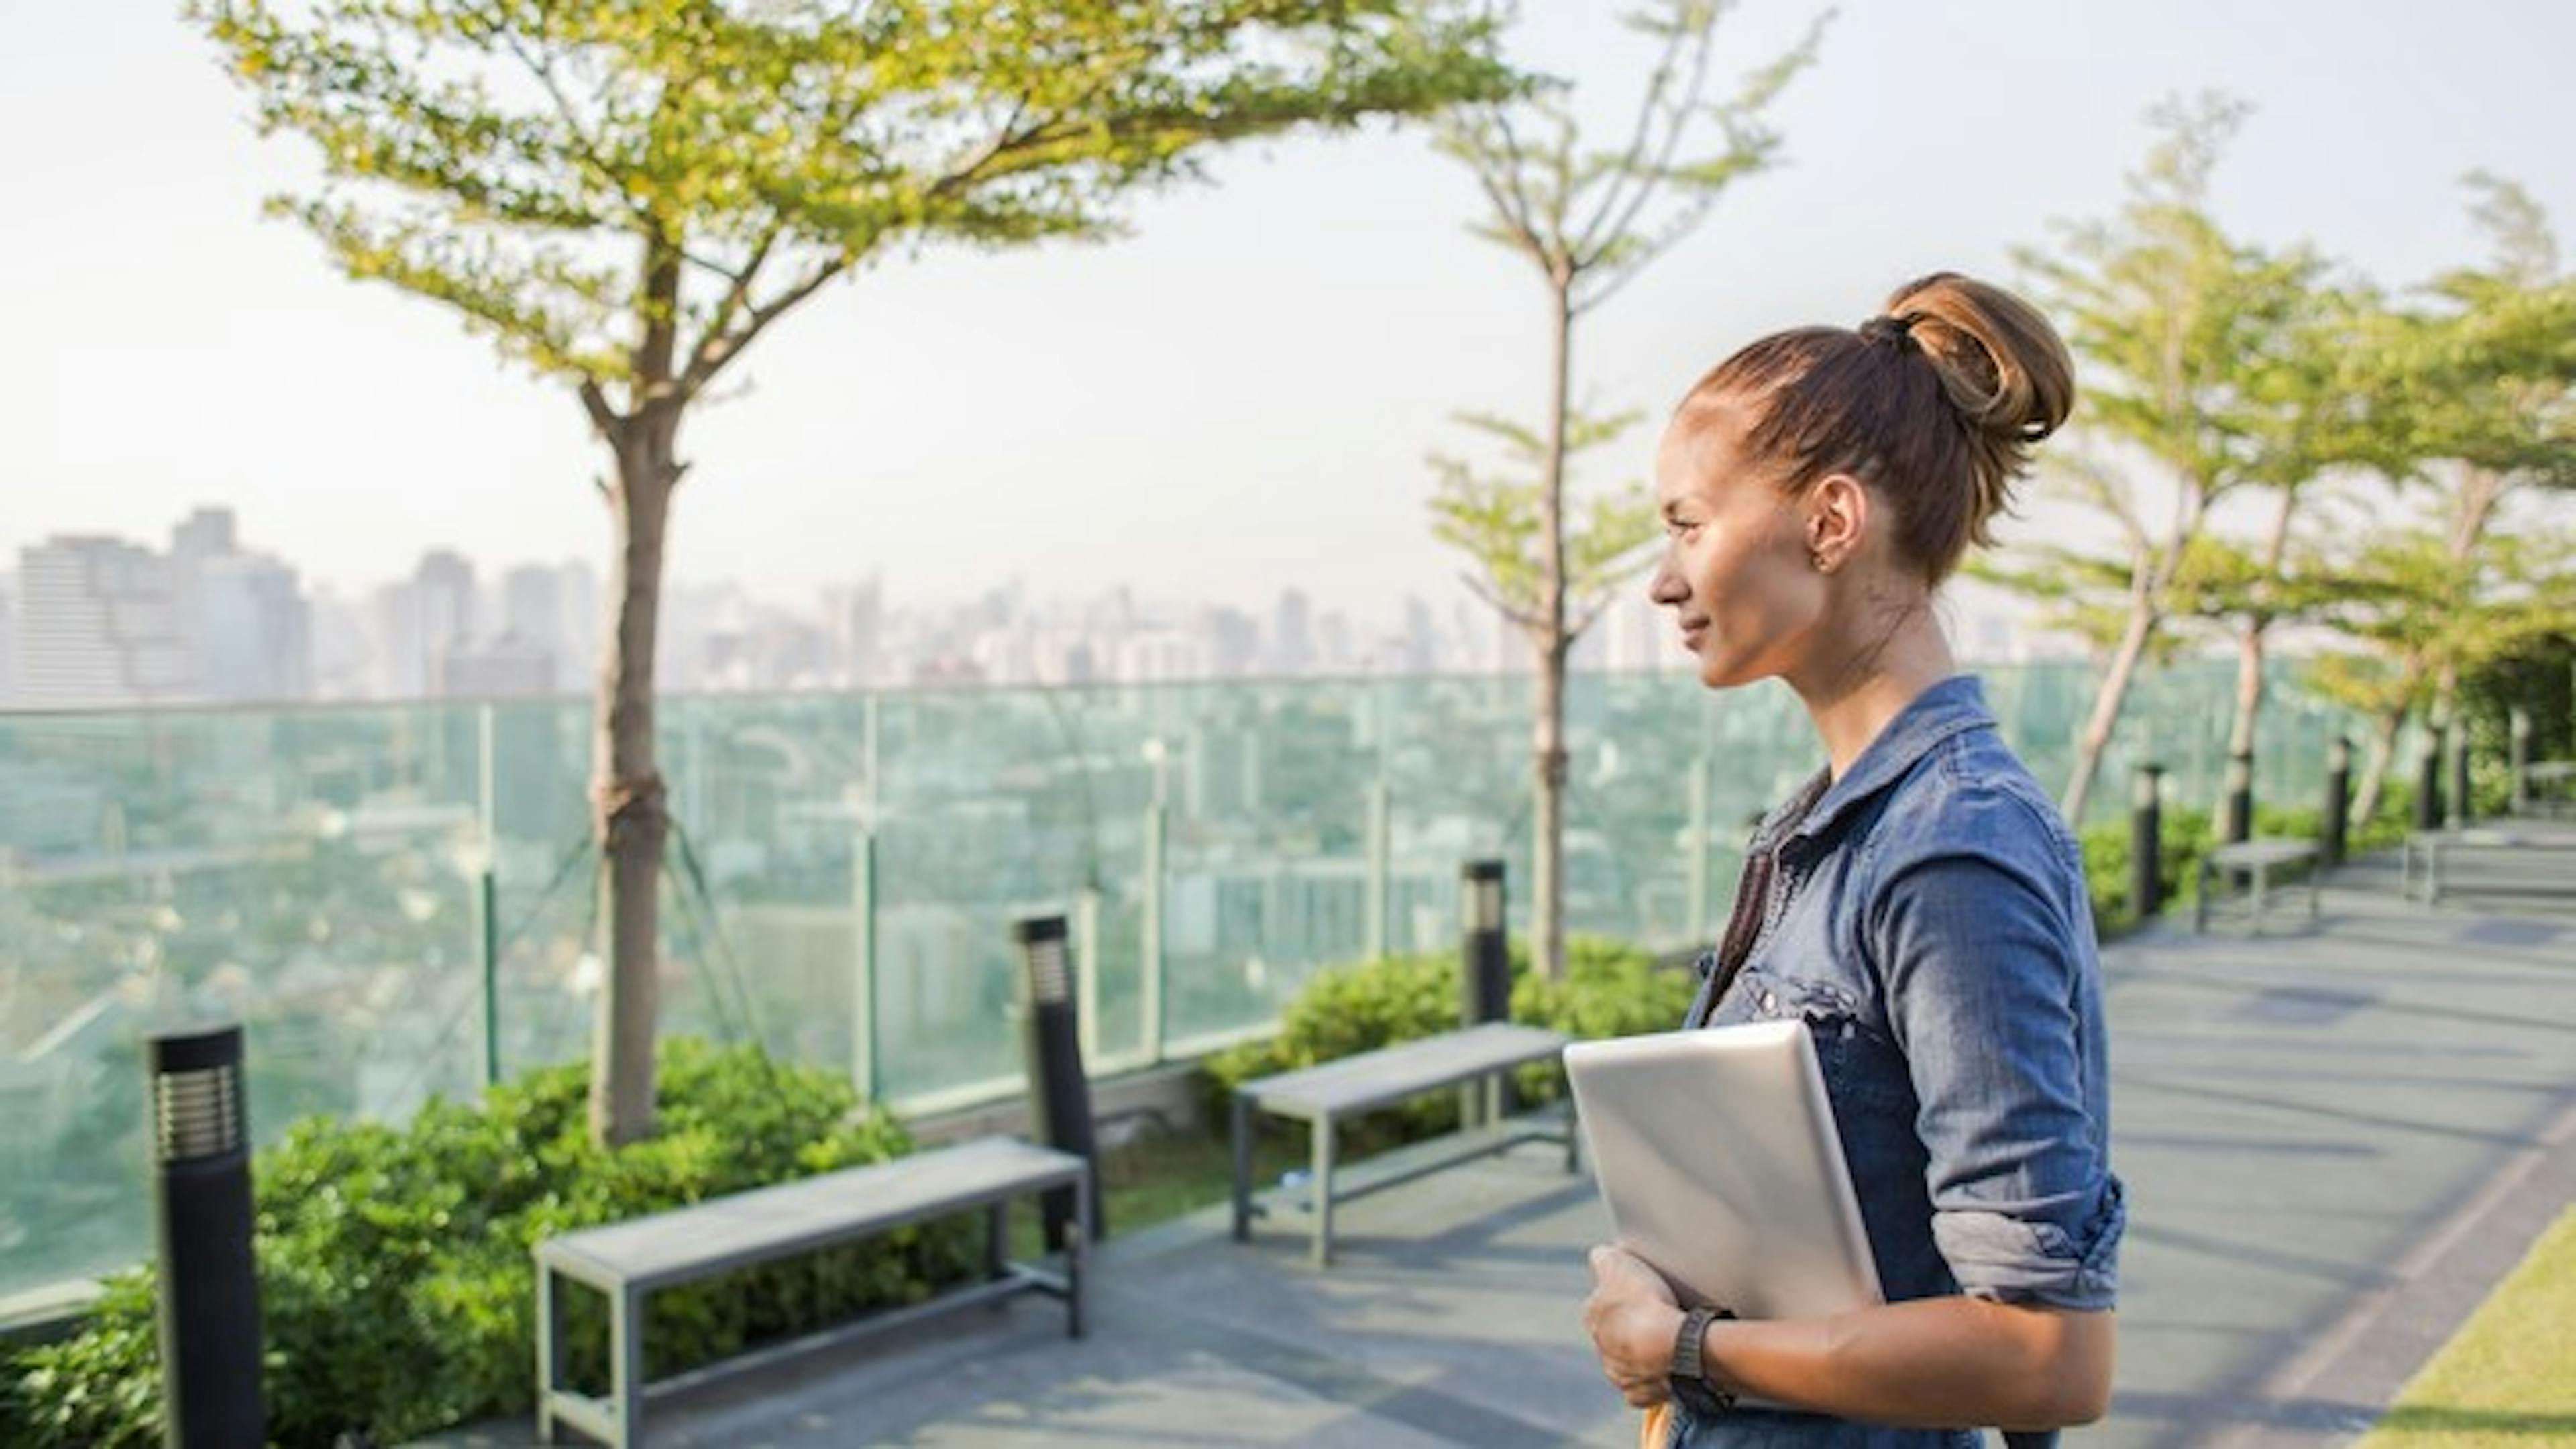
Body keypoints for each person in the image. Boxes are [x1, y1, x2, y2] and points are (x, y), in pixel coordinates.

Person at [1580, 272, 2124, 1449]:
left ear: (1831, 522)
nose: (1665, 578)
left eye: (1688, 523)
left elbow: (2048, 1354)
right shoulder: (1828, 828)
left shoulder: (1951, 851)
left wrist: (1685, 1353)